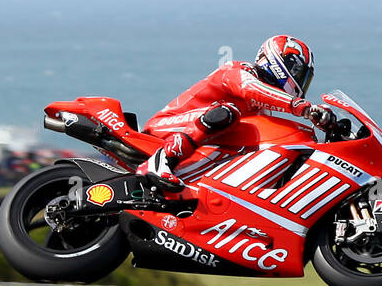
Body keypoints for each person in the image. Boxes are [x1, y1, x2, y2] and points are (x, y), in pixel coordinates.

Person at [136, 35, 331, 189]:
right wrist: (303, 107)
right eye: (298, 72)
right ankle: (159, 162)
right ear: (282, 63)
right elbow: (252, 89)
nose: (300, 81)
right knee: (226, 113)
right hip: (165, 126)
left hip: (199, 143)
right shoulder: (238, 71)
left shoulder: (261, 106)